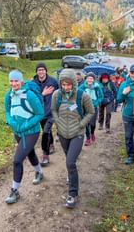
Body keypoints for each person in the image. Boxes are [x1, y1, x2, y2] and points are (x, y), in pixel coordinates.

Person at [51, 69, 94, 208]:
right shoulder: (56, 95)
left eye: (69, 84)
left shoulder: (83, 96)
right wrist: (57, 122)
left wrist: (81, 125)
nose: (66, 87)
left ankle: (72, 194)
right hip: (62, 133)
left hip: (77, 133)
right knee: (68, 158)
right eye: (63, 84)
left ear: (74, 83)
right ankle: (71, 174)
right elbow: (53, 110)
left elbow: (90, 112)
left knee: (70, 162)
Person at [4, 70, 44, 204]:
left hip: (31, 131)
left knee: (17, 160)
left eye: (16, 81)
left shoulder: (30, 95)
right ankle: (39, 172)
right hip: (18, 132)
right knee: (30, 152)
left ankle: (14, 191)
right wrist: (11, 122)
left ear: (21, 81)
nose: (13, 83)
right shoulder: (8, 95)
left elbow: (40, 114)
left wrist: (25, 125)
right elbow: (7, 111)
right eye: (11, 81)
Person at [33, 62, 59, 166]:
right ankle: (51, 144)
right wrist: (42, 94)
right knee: (46, 131)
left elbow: (59, 94)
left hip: (51, 111)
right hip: (39, 112)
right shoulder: (33, 84)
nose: (41, 72)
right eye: (39, 70)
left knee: (45, 132)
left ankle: (45, 155)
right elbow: (32, 98)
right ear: (36, 72)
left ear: (46, 71)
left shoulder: (53, 81)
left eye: (43, 70)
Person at [79, 72, 103, 146]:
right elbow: (78, 96)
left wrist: (96, 103)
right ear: (86, 79)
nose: (89, 80)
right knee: (86, 123)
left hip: (93, 107)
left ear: (94, 80)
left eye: (91, 78)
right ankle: (88, 138)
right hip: (85, 108)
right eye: (88, 78)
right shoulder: (82, 87)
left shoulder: (97, 87)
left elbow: (101, 96)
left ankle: (92, 133)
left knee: (92, 124)